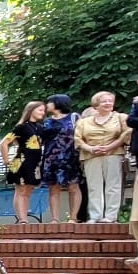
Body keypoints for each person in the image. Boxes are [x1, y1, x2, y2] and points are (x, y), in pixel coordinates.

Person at [75, 92, 131, 223]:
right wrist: (91, 149)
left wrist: (110, 146)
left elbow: (126, 134)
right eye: (104, 101)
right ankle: (95, 216)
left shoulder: (121, 118)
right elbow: (78, 139)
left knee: (113, 186)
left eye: (110, 101)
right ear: (96, 104)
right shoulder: (83, 122)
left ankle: (111, 216)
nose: (108, 103)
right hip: (91, 155)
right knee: (94, 187)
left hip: (114, 154)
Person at [0, 100, 47, 225]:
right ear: (31, 110)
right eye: (40, 110)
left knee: (28, 191)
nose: (43, 113)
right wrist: (6, 160)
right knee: (21, 190)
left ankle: (24, 217)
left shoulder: (40, 128)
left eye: (44, 110)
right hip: (22, 162)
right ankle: (22, 219)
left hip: (35, 163)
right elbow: (4, 143)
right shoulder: (21, 127)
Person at [40, 94, 82, 224]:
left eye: (50, 102)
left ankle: (73, 217)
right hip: (51, 158)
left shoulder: (74, 117)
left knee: (73, 187)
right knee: (53, 188)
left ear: (58, 103)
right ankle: (55, 219)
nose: (47, 105)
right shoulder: (46, 121)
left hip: (71, 156)